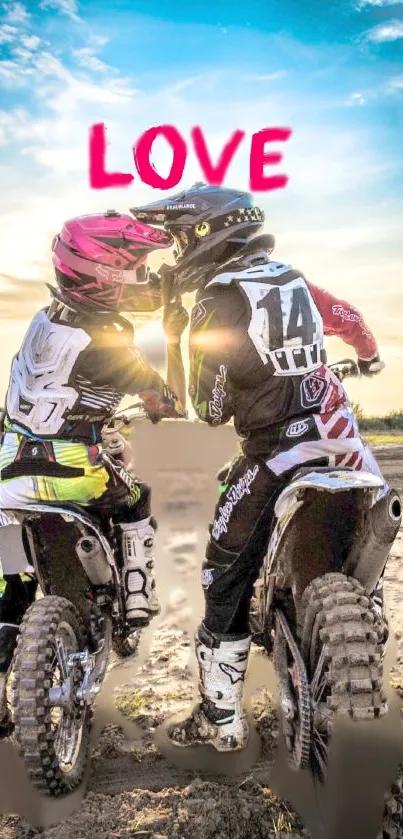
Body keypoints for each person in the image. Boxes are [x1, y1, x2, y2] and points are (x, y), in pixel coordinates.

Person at [130, 184, 389, 752]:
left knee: (221, 573)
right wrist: (367, 357)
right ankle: (364, 619)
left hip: (275, 453)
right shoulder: (292, 278)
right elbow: (349, 318)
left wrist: (177, 334)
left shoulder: (216, 300)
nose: (175, 254)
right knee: (366, 541)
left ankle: (221, 722)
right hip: (344, 447)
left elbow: (211, 409)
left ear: (205, 233)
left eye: (178, 239)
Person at [0, 210, 185, 717]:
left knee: (12, 578)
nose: (141, 280)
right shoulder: (108, 345)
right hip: (72, 471)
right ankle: (136, 599)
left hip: (11, 472)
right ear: (106, 278)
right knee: (136, 498)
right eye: (134, 270)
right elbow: (163, 401)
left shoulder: (43, 322)